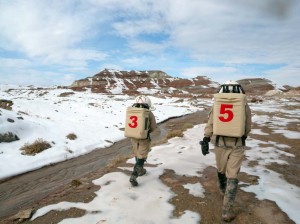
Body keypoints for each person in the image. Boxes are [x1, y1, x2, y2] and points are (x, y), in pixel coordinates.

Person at [200, 80, 252, 222]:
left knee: (221, 169)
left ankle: (223, 189)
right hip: (237, 144)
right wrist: (243, 136)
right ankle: (227, 210)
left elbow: (210, 123)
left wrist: (205, 138)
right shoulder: (243, 104)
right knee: (233, 174)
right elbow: (248, 125)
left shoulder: (217, 104)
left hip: (219, 144)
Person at [128, 95, 157, 187]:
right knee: (142, 155)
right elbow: (153, 127)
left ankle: (140, 170)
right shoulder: (148, 113)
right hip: (144, 138)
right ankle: (134, 174)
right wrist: (146, 132)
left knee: (137, 153)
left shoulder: (131, 111)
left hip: (133, 136)